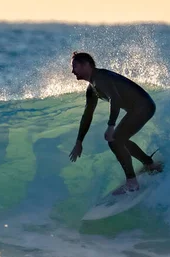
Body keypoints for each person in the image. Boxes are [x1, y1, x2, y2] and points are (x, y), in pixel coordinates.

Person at [68, 51, 162, 195]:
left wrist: (111, 126)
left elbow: (115, 99)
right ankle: (150, 164)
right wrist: (79, 141)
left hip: (144, 106)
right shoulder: (92, 88)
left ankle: (132, 182)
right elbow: (87, 114)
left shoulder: (101, 78)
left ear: (86, 65)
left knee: (115, 140)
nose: (72, 71)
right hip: (138, 109)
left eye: (75, 66)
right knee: (119, 140)